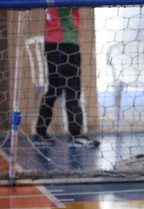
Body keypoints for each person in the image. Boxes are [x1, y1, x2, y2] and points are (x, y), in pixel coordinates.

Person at [33, 8, 100, 148]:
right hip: (66, 42)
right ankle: (76, 135)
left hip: (51, 42)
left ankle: (40, 133)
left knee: (54, 89)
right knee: (72, 90)